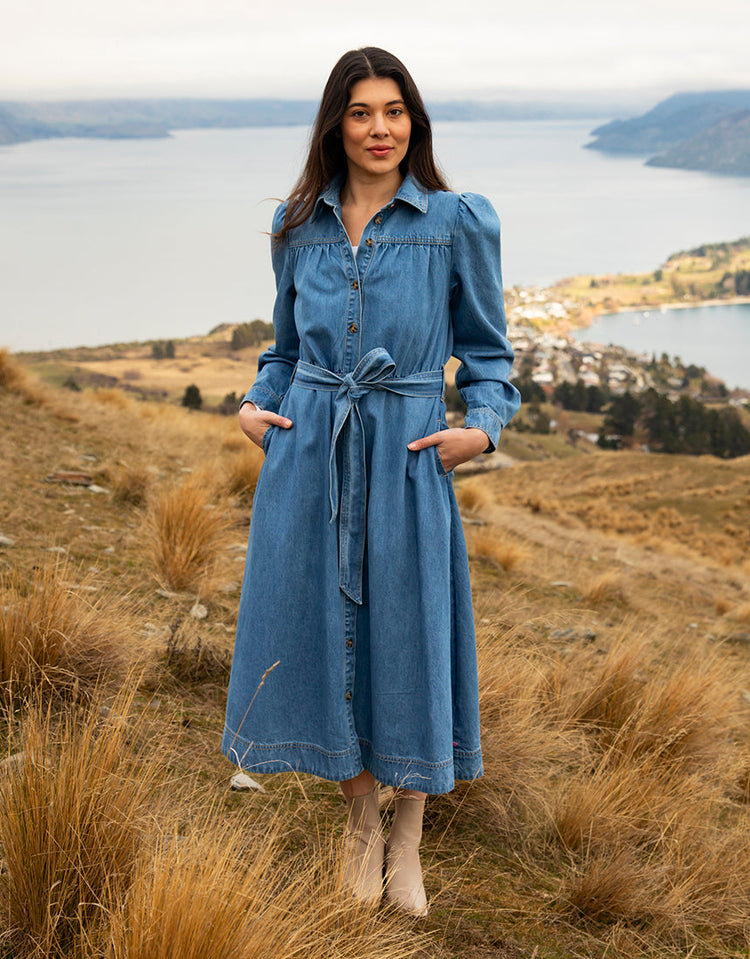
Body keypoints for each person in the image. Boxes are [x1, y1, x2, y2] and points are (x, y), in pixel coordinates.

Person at [222, 46, 521, 917]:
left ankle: (410, 838)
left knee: (410, 629)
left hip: (409, 452)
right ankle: (360, 822)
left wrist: (481, 429)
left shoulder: (455, 220)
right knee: (325, 627)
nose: (379, 128)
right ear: (335, 125)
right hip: (310, 453)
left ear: (413, 122)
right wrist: (254, 405)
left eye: (394, 111)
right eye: (361, 112)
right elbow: (282, 353)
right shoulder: (298, 224)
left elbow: (493, 360)